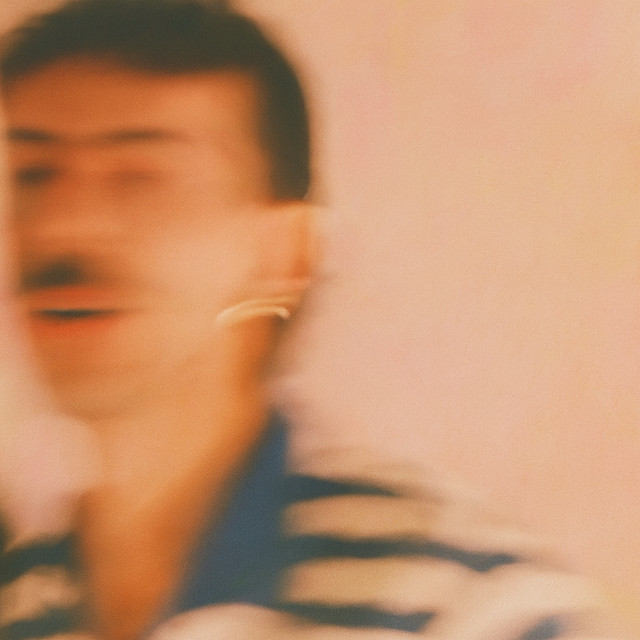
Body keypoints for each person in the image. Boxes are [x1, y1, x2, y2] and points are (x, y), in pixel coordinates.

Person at [0, 0, 633, 638]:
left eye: (142, 177)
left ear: (285, 255)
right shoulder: (21, 598)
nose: (63, 225)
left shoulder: (476, 606)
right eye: (35, 175)